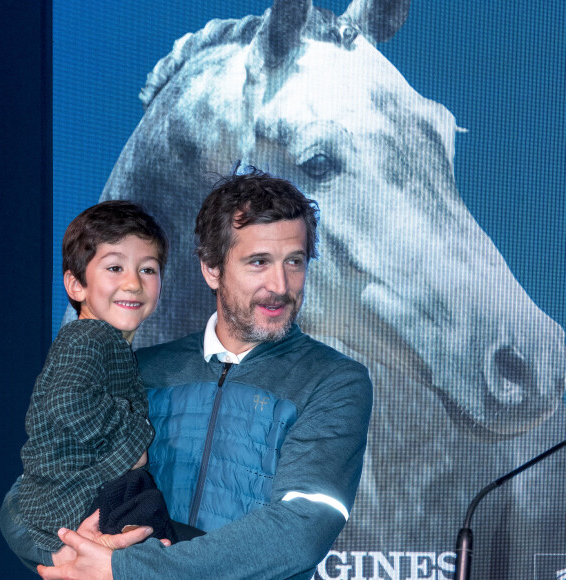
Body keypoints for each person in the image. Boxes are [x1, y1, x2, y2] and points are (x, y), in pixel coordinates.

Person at [37, 167, 373, 580]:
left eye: (295, 262)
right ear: (211, 268)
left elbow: (300, 530)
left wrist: (127, 569)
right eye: (258, 262)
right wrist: (69, 559)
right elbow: (28, 498)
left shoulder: (335, 381)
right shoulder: (139, 370)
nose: (280, 285)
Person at [0, 200, 202, 573]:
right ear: (76, 285)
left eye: (148, 269)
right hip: (71, 504)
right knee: (185, 551)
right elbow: (67, 401)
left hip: (82, 504)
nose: (133, 282)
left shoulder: (108, 343)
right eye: (115, 267)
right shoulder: (89, 337)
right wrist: (133, 443)